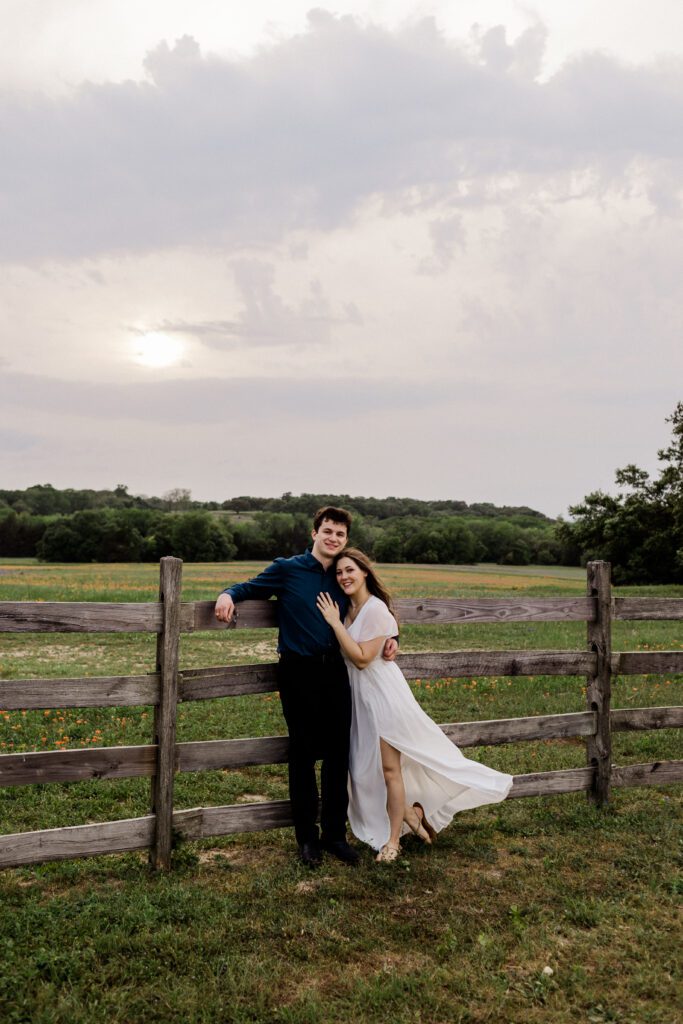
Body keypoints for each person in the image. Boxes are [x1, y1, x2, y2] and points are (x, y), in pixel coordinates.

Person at [214, 507, 397, 868]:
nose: (333, 539)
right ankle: (306, 839)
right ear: (314, 533)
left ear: (346, 540)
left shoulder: (345, 575)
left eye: (340, 534)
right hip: (298, 671)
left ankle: (334, 836)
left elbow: (371, 606)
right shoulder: (288, 568)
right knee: (302, 754)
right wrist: (227, 594)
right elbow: (249, 587)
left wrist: (392, 636)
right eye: (328, 531)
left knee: (337, 755)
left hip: (337, 672)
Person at [316, 549, 513, 863]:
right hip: (357, 699)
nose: (344, 577)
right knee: (362, 770)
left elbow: (364, 659)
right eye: (339, 572)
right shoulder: (346, 609)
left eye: (350, 570)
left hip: (382, 695)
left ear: (365, 572)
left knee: (391, 769)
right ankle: (412, 811)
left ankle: (392, 842)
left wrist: (334, 624)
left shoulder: (375, 609)